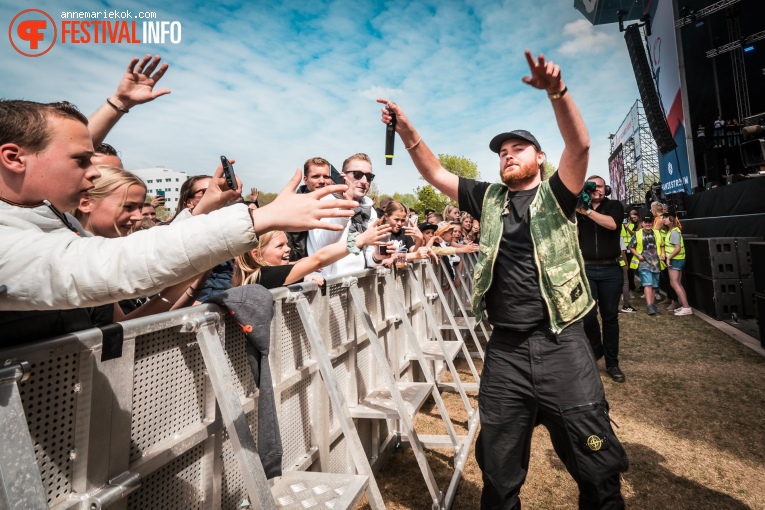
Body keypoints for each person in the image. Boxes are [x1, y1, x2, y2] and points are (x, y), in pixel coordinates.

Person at [378, 50, 627, 509]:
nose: (508, 156)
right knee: (498, 467)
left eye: (518, 149)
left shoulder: (558, 194)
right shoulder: (488, 198)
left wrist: (557, 92)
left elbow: (581, 147)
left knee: (595, 465)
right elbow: (434, 172)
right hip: (506, 350)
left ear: (539, 157)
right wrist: (407, 131)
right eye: (502, 153)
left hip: (562, 344)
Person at [0, 98, 358, 344]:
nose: (95, 174)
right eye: (82, 161)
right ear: (13, 158)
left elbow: (50, 147)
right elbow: (115, 264)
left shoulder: (42, 213)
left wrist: (116, 106)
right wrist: (260, 217)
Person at [233, 221, 391, 290]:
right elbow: (319, 259)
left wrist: (304, 276)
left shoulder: (255, 274)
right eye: (280, 246)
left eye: (287, 244)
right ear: (257, 255)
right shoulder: (264, 276)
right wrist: (359, 240)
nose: (287, 249)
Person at [576, 175, 626, 383]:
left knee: (610, 317)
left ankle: (612, 363)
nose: (599, 189)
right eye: (594, 186)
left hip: (610, 269)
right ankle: (596, 350)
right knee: (587, 315)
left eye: (602, 186)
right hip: (587, 268)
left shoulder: (614, 205)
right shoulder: (578, 208)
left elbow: (613, 225)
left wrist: (587, 211)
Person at [306, 153, 379, 278]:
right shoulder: (323, 201)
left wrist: (378, 257)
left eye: (369, 177)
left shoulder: (370, 210)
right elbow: (322, 246)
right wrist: (345, 207)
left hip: (358, 283)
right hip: (326, 285)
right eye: (358, 175)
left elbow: (368, 257)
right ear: (342, 176)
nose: (364, 181)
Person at [287, 157, 333, 261]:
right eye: (316, 176)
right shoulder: (293, 207)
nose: (322, 181)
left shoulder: (336, 203)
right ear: (306, 180)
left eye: (326, 176)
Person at [629, 216, 664, 315]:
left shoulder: (657, 233)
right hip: (644, 262)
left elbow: (661, 245)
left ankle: (652, 305)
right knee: (647, 284)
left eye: (650, 222)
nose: (648, 224)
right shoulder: (638, 234)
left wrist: (663, 253)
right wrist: (638, 255)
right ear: (642, 223)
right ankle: (649, 305)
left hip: (656, 263)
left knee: (654, 285)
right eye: (646, 222)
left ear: (652, 223)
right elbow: (631, 246)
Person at [661, 213, 692, 316]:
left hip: (676, 259)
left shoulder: (674, 231)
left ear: (671, 219)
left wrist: (668, 258)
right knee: (677, 284)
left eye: (665, 217)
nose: (663, 220)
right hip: (677, 259)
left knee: (675, 284)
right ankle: (684, 306)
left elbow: (677, 248)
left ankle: (686, 307)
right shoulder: (672, 231)